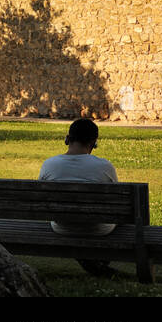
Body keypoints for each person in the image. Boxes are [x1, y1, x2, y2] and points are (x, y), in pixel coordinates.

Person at [38, 117, 119, 276]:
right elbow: (115, 203)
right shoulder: (104, 166)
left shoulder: (49, 164)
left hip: (62, 226)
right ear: (94, 143)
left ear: (67, 139)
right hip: (98, 229)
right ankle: (97, 262)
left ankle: (91, 261)